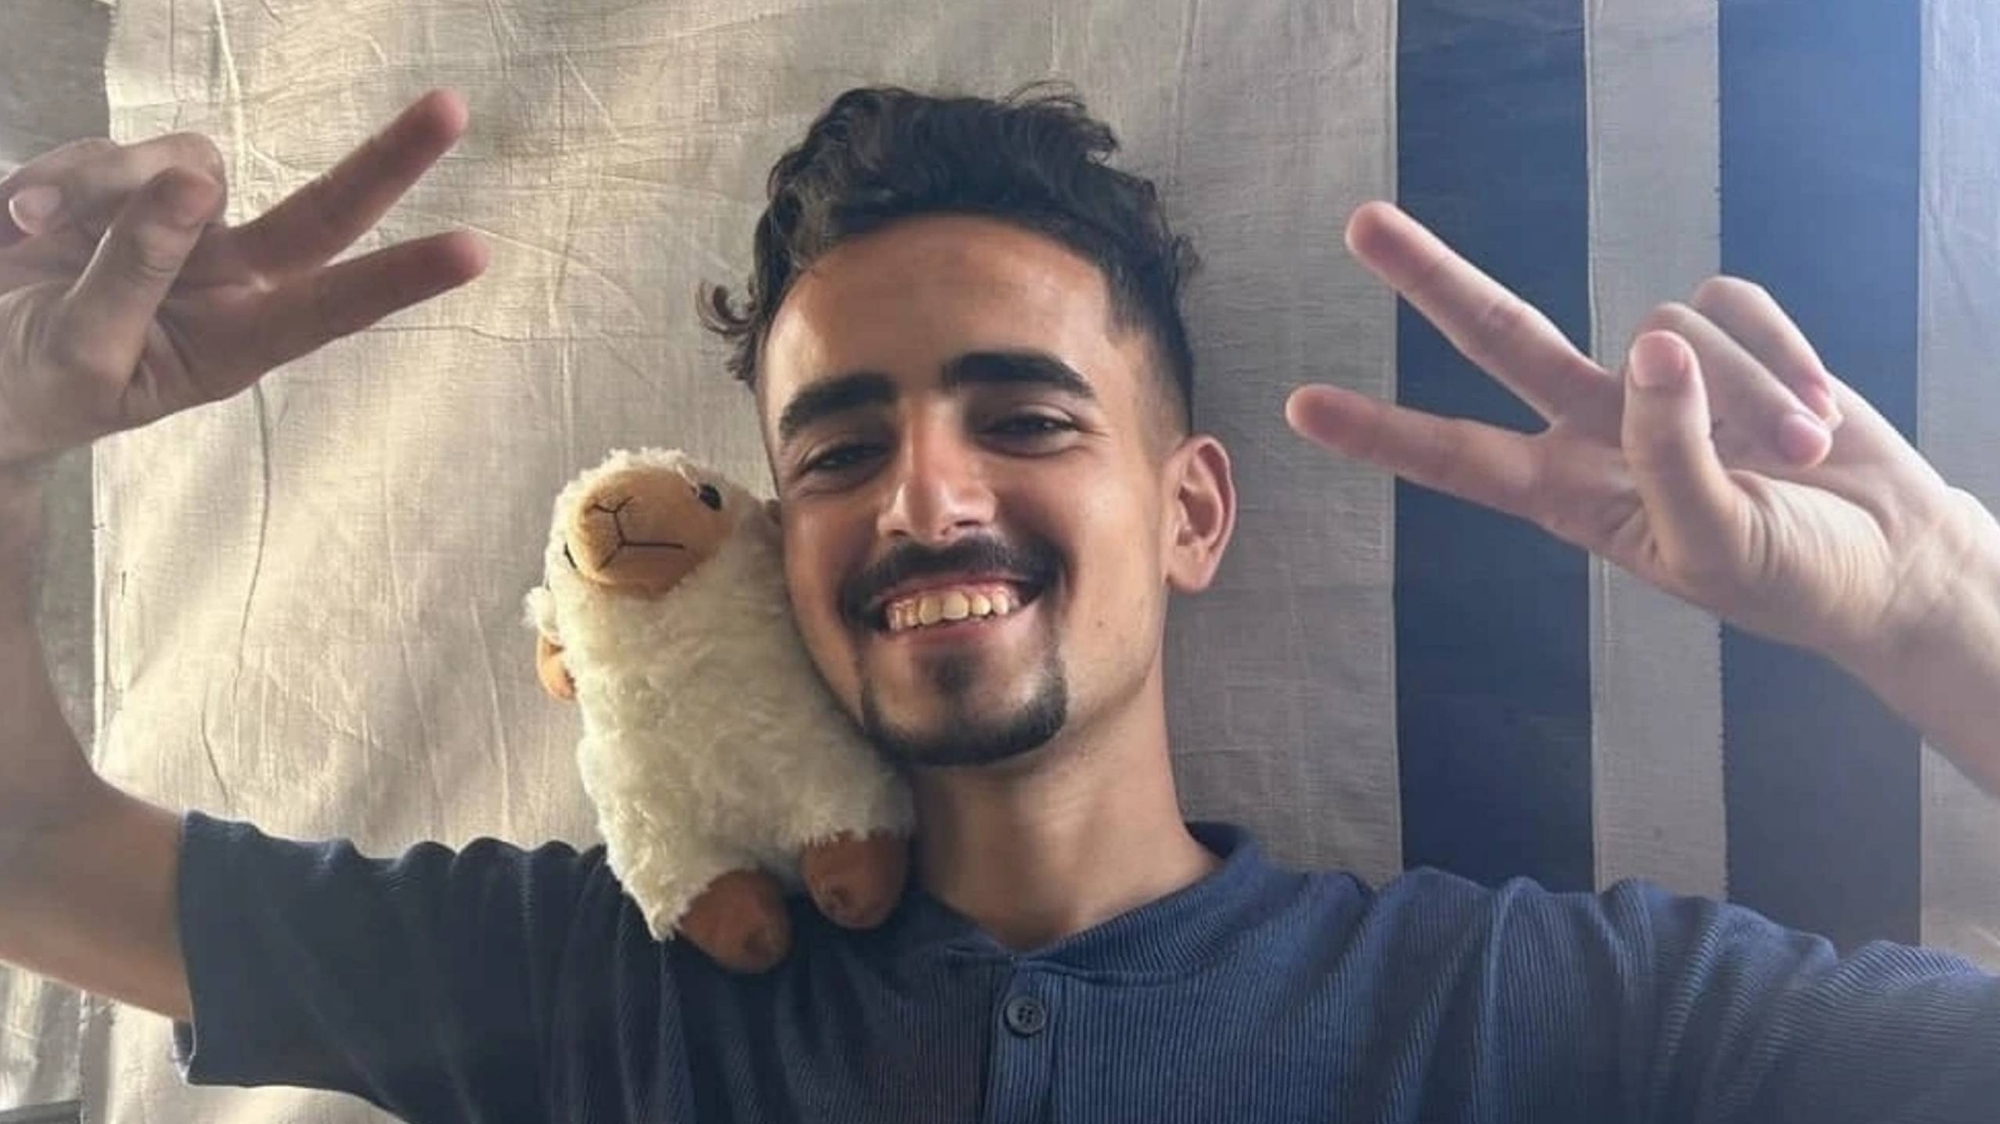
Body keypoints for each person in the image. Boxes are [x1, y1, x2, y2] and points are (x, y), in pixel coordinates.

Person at [0, 83, 1996, 1122]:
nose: (925, 496)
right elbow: (28, 857)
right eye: (838, 447)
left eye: (1024, 417)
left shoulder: (1512, 1014)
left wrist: (1932, 615)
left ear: (1191, 511)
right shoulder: (612, 988)